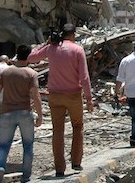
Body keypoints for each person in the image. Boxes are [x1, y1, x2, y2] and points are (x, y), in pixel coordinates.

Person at [27, 23, 93, 176]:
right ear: (73, 34)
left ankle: (59, 168)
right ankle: (76, 162)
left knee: (58, 131)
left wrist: (47, 43)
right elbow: (84, 77)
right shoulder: (78, 49)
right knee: (78, 126)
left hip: (55, 96)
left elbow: (31, 58)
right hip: (74, 95)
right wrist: (89, 99)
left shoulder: (51, 48)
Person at [0, 45, 43, 183]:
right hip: (25, 113)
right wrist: (40, 115)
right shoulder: (31, 73)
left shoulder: (6, 73)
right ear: (28, 56)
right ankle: (26, 176)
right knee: (28, 145)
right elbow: (36, 96)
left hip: (7, 113)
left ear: (16, 55)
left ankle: (0, 168)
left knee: (3, 145)